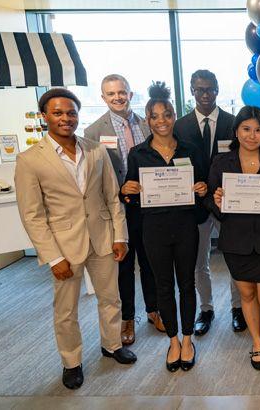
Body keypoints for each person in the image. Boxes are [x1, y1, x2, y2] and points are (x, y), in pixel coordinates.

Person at [15, 88, 137, 390]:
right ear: (45, 117)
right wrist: (53, 257)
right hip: (64, 246)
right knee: (66, 310)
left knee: (111, 298)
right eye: (58, 113)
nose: (65, 118)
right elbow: (32, 215)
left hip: (103, 238)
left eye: (71, 112)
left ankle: (111, 345)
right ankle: (71, 362)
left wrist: (119, 236)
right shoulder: (30, 160)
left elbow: (111, 196)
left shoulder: (95, 150)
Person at [121, 82, 207, 372]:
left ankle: (187, 338)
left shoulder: (191, 150)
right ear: (147, 119)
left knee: (187, 283)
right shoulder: (138, 154)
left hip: (185, 227)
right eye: (155, 116)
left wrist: (202, 187)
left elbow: (205, 185)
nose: (161, 121)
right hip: (154, 229)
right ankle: (172, 340)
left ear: (173, 116)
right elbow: (131, 195)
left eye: (167, 114)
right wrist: (127, 190)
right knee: (163, 286)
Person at [206, 106, 260, 385]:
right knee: (247, 296)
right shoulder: (221, 162)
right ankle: (256, 342)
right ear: (236, 131)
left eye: (258, 129)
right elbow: (210, 200)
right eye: (246, 129)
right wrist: (217, 202)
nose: (252, 135)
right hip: (236, 242)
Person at [84, 74, 164, 345]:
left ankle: (154, 310)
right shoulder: (93, 133)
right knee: (125, 266)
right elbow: (95, 179)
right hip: (119, 210)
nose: (117, 97)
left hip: (151, 207)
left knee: (152, 261)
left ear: (130, 94)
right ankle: (128, 318)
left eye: (122, 92)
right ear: (103, 98)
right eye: (111, 94)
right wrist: (120, 190)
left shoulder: (148, 123)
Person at [174, 69, 245, 335]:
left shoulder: (232, 122)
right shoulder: (180, 126)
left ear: (217, 90)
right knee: (198, 262)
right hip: (195, 205)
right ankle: (206, 309)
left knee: (234, 258)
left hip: (228, 202)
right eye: (199, 89)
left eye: (210, 89)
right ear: (192, 91)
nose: (205, 94)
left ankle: (238, 308)